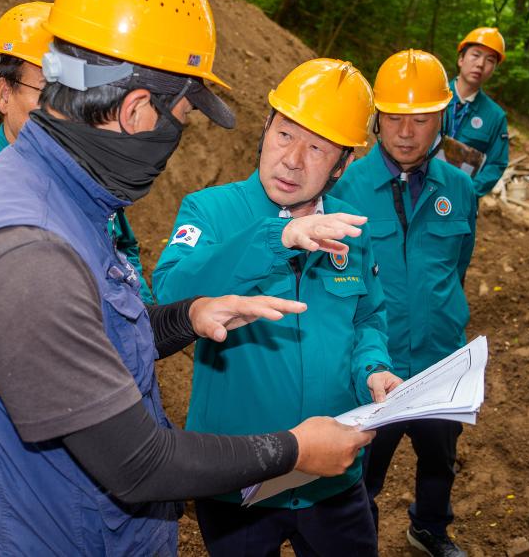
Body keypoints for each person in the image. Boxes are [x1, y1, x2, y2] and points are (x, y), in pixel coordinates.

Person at [0, 0, 373, 556]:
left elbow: (99, 336)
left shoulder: (71, 203)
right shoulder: (27, 254)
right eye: (180, 119)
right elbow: (138, 463)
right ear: (137, 111)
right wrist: (295, 450)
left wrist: (188, 316)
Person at [153, 58, 401, 556]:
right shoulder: (210, 210)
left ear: (342, 164)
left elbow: (366, 319)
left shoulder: (352, 230)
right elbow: (170, 291)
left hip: (332, 477)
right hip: (238, 479)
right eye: (285, 135)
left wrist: (373, 369)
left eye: (318, 148)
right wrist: (277, 237)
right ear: (266, 127)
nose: (292, 160)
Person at [0, 1, 154, 434]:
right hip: (11, 419)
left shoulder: (88, 183)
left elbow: (125, 253)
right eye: (47, 92)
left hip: (100, 392)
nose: (63, 110)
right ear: (4, 95)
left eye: (72, 94)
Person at [333, 49, 477, 557]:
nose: (406, 133)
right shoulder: (345, 187)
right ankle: (358, 541)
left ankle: (430, 529)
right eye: (394, 117)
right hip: (376, 364)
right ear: (376, 118)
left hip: (440, 359)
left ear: (442, 118)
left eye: (421, 119)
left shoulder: (460, 188)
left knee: (439, 458)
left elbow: (458, 265)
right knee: (362, 470)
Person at [445, 27, 508, 197]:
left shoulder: (495, 117)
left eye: (490, 60)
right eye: (476, 55)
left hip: (460, 199)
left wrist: (468, 193)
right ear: (461, 59)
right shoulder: (433, 96)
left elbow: (496, 164)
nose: (480, 64)